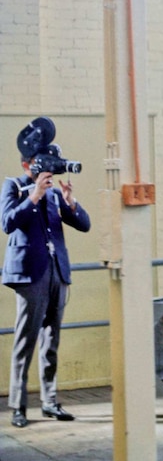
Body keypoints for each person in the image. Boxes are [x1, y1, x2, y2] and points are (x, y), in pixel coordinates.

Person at [2, 117, 91, 428]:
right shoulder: (13, 186)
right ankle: (17, 407)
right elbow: (8, 223)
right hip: (30, 275)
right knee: (25, 342)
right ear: (29, 165)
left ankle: (50, 402)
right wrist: (33, 195)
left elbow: (84, 225)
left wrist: (71, 202)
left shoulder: (55, 194)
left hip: (57, 272)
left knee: (51, 341)